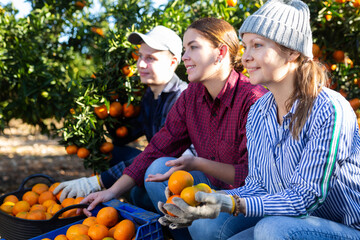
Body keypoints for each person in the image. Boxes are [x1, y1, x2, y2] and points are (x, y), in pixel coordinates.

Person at [159, 1, 360, 239]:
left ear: (293, 51)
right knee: (217, 226)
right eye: (245, 47)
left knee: (270, 229)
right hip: (288, 221)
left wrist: (233, 204)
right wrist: (213, 203)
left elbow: (306, 197)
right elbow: (258, 185)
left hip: (343, 227)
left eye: (257, 45)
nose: (245, 58)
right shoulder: (259, 112)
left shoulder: (329, 108)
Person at [80, 17, 267, 239]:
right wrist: (109, 191)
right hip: (212, 188)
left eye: (193, 48)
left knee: (205, 226)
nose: (185, 57)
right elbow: (157, 148)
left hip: (249, 199)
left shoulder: (253, 100)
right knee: (157, 167)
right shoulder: (191, 97)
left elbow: (254, 177)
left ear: (221, 52)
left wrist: (197, 163)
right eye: (185, 49)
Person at [53, 26, 189, 210]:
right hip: (155, 163)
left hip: (174, 176)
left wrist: (101, 181)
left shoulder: (180, 98)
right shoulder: (149, 95)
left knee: (139, 189)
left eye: (151, 58)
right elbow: (124, 136)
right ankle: (123, 195)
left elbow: (160, 154)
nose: (140, 64)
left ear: (173, 63)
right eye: (140, 56)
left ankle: (143, 208)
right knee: (109, 152)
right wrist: (106, 109)